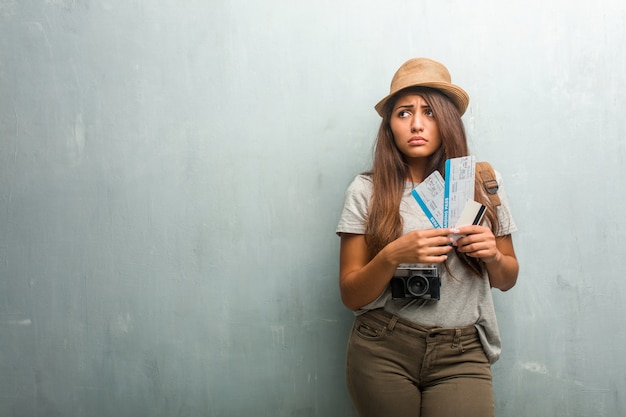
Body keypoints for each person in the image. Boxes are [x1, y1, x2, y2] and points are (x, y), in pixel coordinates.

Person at [335, 57, 519, 417]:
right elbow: (350, 294)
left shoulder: (482, 182)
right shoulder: (366, 190)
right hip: (383, 346)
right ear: (389, 125)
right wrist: (391, 255)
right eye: (403, 113)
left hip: (462, 350)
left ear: (447, 119)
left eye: (430, 112)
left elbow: (508, 279)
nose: (416, 124)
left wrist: (493, 257)